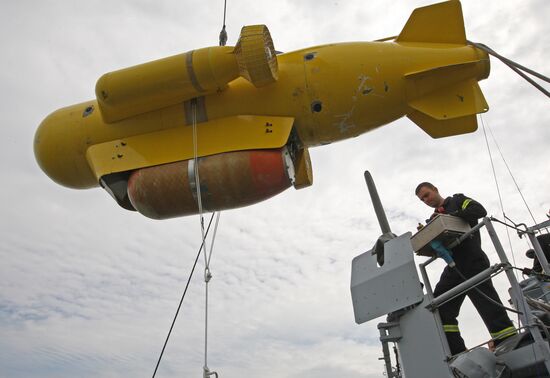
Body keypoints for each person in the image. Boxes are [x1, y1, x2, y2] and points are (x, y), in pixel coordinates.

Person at [415, 182, 516, 355]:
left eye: (426, 195)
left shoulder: (458, 200)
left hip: (472, 260)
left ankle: (509, 341)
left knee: (486, 304)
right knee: (440, 305)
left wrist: (450, 216)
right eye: (422, 199)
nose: (426, 200)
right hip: (454, 266)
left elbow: (479, 211)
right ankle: (456, 351)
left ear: (435, 189)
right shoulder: (432, 220)